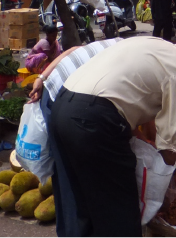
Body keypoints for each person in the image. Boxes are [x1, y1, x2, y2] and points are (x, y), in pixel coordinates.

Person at [50, 37, 176, 238]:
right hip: (94, 120)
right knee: (119, 215)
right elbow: (169, 146)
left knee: (81, 207)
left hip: (62, 107)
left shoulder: (154, 44)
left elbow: (121, 94)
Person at [28, 39, 121, 238]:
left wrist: (41, 77)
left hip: (59, 91)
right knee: (71, 173)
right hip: (61, 96)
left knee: (66, 172)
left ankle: (74, 229)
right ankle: (75, 232)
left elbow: (72, 50)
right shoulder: (131, 59)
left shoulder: (118, 44)